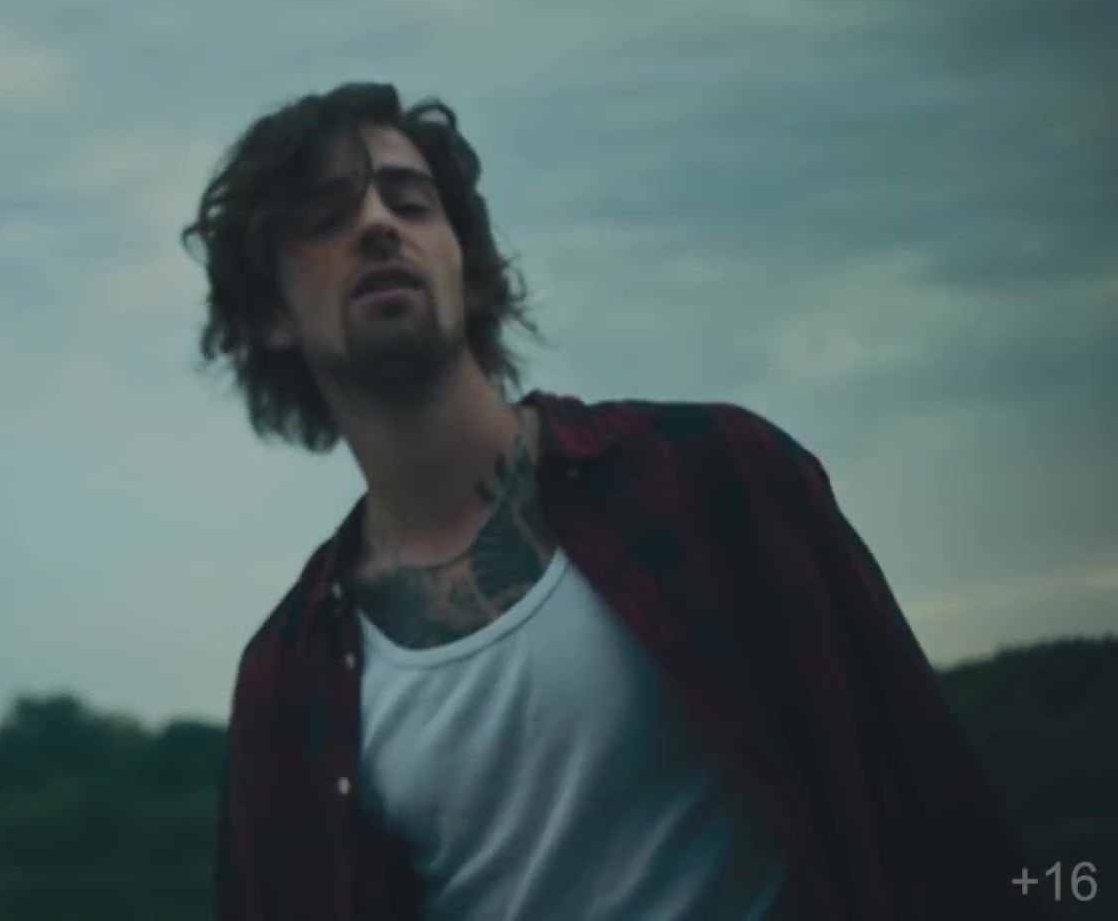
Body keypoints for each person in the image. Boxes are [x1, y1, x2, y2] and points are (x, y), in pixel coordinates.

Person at [183, 81, 1050, 920]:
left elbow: (942, 810)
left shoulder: (716, 479)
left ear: (468, 270)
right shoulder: (287, 681)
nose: (378, 224)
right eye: (326, 218)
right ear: (269, 315)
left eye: (410, 202)